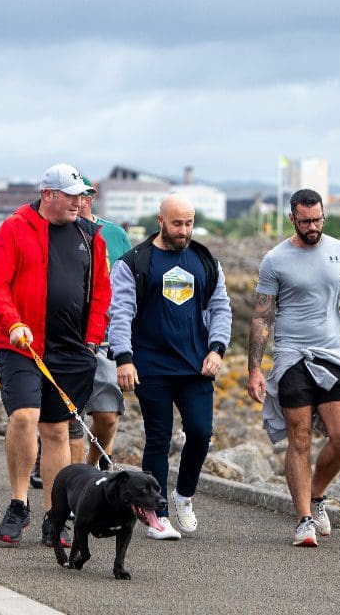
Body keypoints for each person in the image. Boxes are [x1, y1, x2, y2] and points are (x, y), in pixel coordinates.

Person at [0, 163, 110, 547]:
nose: (79, 202)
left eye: (83, 195)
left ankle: (55, 516)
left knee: (56, 431)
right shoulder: (15, 227)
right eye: (72, 195)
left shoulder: (90, 236)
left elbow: (101, 292)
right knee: (24, 416)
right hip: (21, 345)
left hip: (72, 349)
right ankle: (18, 502)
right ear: (49, 195)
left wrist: (91, 340)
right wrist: (11, 322)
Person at [247, 188, 340, 547]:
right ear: (292, 219)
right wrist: (254, 370)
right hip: (291, 358)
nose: (313, 226)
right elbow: (261, 318)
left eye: (318, 219)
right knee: (299, 438)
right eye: (306, 221)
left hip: (332, 355)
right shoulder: (275, 259)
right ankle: (303, 519)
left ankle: (316, 496)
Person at [109, 194, 232, 539]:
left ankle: (184, 496)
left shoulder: (204, 260)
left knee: (201, 432)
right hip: (151, 366)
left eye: (189, 223)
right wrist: (124, 357)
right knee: (159, 438)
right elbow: (120, 313)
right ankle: (156, 514)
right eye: (177, 223)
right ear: (160, 221)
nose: (184, 230)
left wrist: (217, 350)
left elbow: (221, 308)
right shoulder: (135, 262)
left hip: (195, 366)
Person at [68, 175, 131, 467]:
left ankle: (91, 463)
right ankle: (67, 478)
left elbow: (131, 289)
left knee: (106, 417)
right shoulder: (54, 233)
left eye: (79, 196)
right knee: (65, 419)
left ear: (89, 198)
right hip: (65, 339)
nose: (74, 202)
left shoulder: (116, 235)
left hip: (106, 339)